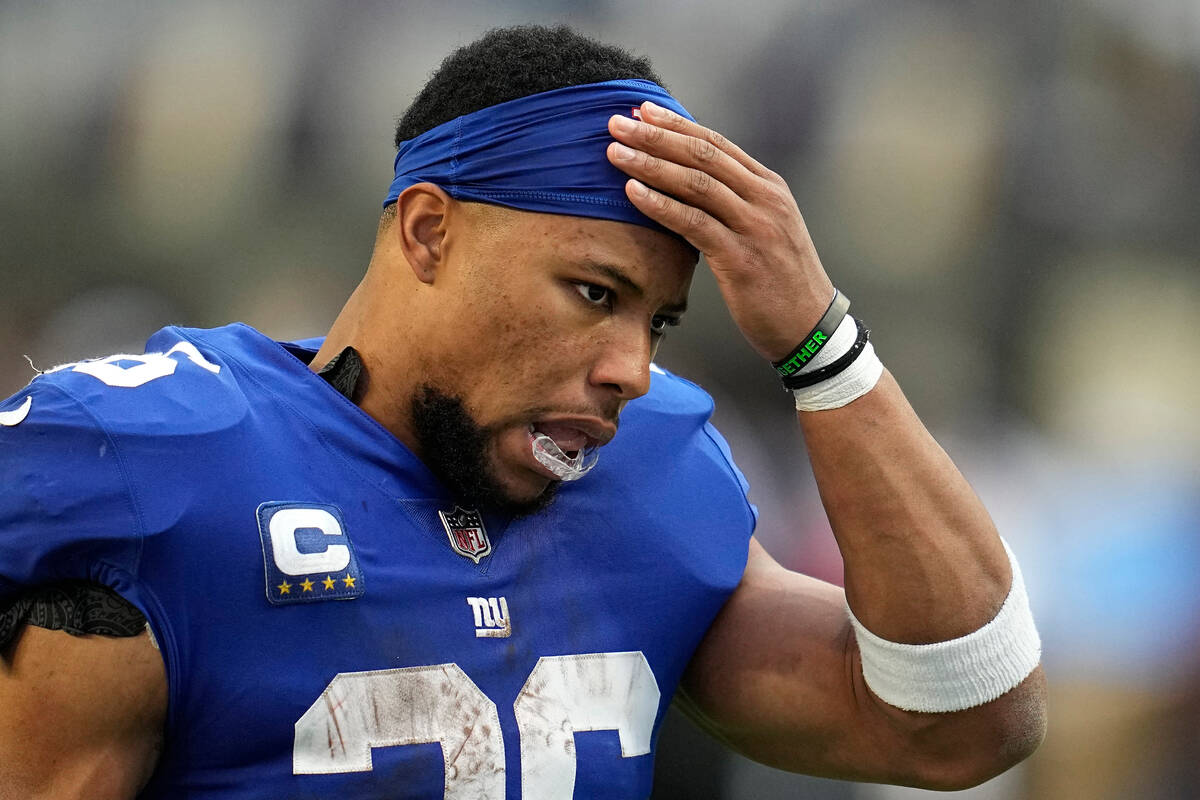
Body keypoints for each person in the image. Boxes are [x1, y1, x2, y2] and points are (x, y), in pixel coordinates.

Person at [0, 25, 1046, 799]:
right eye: (594, 294)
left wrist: (823, 345)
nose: (633, 369)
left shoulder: (648, 481)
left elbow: (962, 724)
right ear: (426, 233)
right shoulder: (155, 470)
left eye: (660, 322)